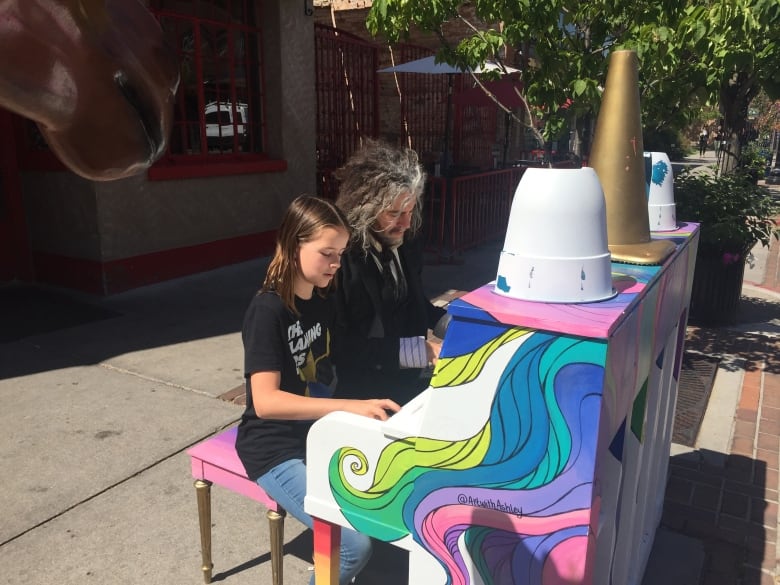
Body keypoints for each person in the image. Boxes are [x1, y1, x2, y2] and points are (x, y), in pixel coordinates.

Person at [235, 195, 401, 585]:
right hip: (274, 448)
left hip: (316, 435)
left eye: (340, 254)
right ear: (294, 247)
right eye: (327, 253)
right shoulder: (267, 311)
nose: (336, 264)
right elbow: (266, 402)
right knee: (353, 546)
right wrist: (350, 407)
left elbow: (338, 361)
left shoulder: (320, 300)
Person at [332, 140, 448, 406]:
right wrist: (420, 351)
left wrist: (457, 325)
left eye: (410, 211)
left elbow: (417, 304)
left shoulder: (407, 243)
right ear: (366, 208)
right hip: (367, 394)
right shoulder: (345, 260)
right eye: (394, 213)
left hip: (411, 380)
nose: (406, 224)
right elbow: (343, 348)